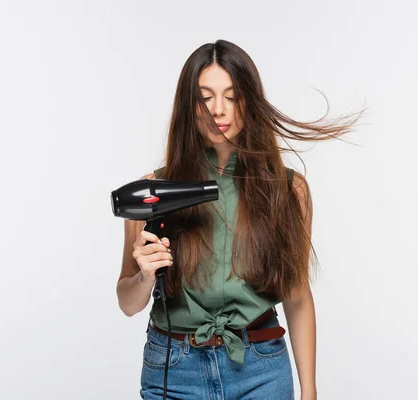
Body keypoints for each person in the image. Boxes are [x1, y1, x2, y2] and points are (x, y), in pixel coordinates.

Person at [117, 39, 363, 399]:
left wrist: (309, 391)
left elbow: (296, 297)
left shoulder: (288, 190)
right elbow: (128, 303)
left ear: (250, 100)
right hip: (174, 369)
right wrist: (144, 275)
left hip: (259, 370)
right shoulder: (154, 192)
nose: (219, 110)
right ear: (190, 105)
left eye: (231, 96)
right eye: (205, 97)